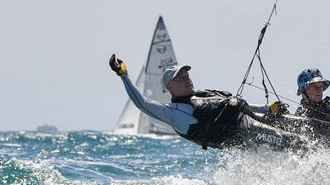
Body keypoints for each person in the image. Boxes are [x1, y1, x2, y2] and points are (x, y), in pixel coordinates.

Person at [108, 54, 298, 151]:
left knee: (301, 125)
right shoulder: (174, 114)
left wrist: (268, 108)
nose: (187, 79)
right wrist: (124, 75)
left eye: (187, 75)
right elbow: (142, 104)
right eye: (180, 78)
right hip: (245, 133)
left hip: (253, 118)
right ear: (170, 87)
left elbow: (236, 105)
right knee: (296, 143)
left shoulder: (200, 95)